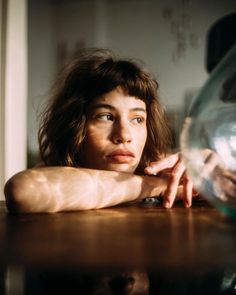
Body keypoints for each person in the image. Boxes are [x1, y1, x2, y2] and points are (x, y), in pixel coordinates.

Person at [4, 48, 195, 213]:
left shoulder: (159, 166)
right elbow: (22, 190)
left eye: (137, 119)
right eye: (106, 117)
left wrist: (208, 169)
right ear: (75, 125)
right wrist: (152, 186)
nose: (124, 136)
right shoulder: (55, 171)